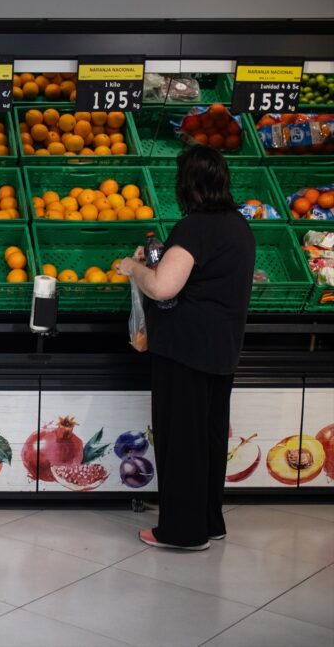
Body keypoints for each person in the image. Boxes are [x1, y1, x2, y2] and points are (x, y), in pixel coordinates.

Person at [117, 145, 254, 551]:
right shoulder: (239, 227)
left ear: (187, 185)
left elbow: (163, 287)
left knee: (181, 440)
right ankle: (210, 520)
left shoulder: (194, 227)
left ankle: (181, 531)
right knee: (209, 440)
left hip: (185, 350)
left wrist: (134, 268)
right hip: (222, 350)